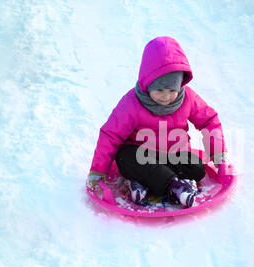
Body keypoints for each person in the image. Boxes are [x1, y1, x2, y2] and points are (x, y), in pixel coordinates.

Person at [87, 36, 227, 208]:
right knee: (126, 158)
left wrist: (218, 153)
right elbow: (111, 134)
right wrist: (98, 170)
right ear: (148, 83)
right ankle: (175, 187)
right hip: (141, 154)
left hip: (173, 154)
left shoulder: (188, 98)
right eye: (160, 89)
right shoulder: (132, 102)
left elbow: (208, 120)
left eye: (172, 90)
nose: (166, 96)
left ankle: (142, 183)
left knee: (197, 168)